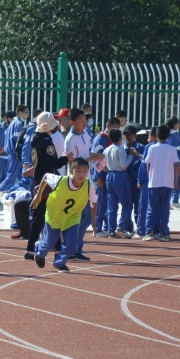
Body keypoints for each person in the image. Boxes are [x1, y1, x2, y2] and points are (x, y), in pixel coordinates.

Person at [31, 158, 98, 273]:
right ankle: (39, 252)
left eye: (84, 171)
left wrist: (93, 221)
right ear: (71, 171)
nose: (81, 174)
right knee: (49, 244)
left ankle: (59, 263)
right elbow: (46, 176)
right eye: (78, 171)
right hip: (54, 215)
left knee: (73, 246)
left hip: (72, 217)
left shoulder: (89, 185)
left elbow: (94, 201)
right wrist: (38, 195)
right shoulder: (60, 180)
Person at [23, 113, 73, 260]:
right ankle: (33, 248)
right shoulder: (47, 141)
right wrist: (66, 157)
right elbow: (54, 163)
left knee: (45, 215)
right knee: (49, 215)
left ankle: (52, 247)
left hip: (38, 180)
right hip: (47, 182)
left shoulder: (35, 139)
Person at [63, 108, 105, 260]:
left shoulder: (86, 134)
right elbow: (73, 163)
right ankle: (70, 246)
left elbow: (87, 154)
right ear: (72, 122)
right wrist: (92, 159)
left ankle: (75, 248)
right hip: (76, 180)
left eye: (84, 120)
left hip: (87, 178)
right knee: (84, 216)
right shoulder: (70, 139)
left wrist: (98, 156)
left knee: (84, 216)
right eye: (80, 121)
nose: (84, 123)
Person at [143, 125, 180, 242]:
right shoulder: (172, 149)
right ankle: (164, 233)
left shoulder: (152, 148)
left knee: (152, 208)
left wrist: (150, 177)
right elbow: (177, 165)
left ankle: (149, 232)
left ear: (156, 136)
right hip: (168, 182)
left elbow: (147, 164)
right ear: (168, 136)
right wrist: (175, 181)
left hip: (154, 182)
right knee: (164, 208)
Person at [103, 128, 139, 238]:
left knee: (112, 205)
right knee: (127, 204)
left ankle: (111, 230)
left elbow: (103, 166)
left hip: (109, 175)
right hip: (120, 175)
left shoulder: (107, 149)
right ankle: (122, 227)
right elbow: (124, 164)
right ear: (120, 138)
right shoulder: (120, 149)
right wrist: (131, 155)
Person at [91, 117, 121, 235]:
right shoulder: (100, 139)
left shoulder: (111, 140)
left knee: (108, 203)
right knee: (101, 202)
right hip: (101, 175)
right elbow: (96, 158)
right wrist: (98, 176)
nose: (116, 131)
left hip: (108, 175)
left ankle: (107, 227)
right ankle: (97, 229)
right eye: (114, 128)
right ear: (108, 125)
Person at [0, 105, 29, 194]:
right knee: (10, 179)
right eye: (26, 112)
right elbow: (18, 141)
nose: (28, 115)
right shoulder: (18, 124)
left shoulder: (13, 123)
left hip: (12, 154)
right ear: (20, 113)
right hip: (15, 155)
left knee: (18, 177)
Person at [135, 127, 158, 238]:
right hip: (162, 181)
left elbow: (144, 165)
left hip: (149, 180)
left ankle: (142, 230)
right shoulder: (169, 148)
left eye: (149, 135)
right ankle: (157, 230)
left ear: (153, 136)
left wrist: (140, 180)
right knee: (158, 206)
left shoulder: (149, 147)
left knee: (144, 205)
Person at [0, 110, 15, 189]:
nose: (12, 120)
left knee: (7, 175)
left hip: (9, 155)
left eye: (13, 118)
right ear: (6, 118)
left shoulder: (14, 127)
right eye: (10, 118)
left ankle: (4, 193)